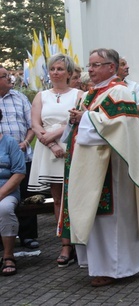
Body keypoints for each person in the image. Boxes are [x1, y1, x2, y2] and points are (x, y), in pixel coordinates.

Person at [60, 48, 139, 287]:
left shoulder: (119, 91)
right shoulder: (92, 93)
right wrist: (79, 117)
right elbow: (90, 120)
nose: (91, 70)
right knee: (96, 218)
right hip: (92, 166)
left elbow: (120, 127)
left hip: (112, 169)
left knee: (113, 220)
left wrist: (84, 118)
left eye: (96, 65)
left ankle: (115, 268)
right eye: (90, 65)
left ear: (111, 67)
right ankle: (102, 265)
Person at [28, 54, 83, 267]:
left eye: (60, 69)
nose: (56, 72)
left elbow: (80, 119)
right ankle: (65, 244)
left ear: (69, 73)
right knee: (58, 199)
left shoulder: (79, 94)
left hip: (72, 147)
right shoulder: (41, 96)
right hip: (49, 151)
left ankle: (80, 242)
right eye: (53, 69)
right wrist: (51, 145)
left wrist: (58, 133)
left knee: (75, 197)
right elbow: (35, 124)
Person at [0, 65, 37, 250]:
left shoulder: (20, 97)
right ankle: (4, 239)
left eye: (9, 75)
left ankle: (28, 236)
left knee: (25, 198)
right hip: (1, 160)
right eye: (5, 76)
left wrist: (26, 142)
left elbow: (32, 125)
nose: (10, 79)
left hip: (22, 155)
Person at [0, 108, 26, 276]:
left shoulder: (9, 142)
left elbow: (19, 173)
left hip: (7, 191)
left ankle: (8, 255)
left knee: (4, 208)